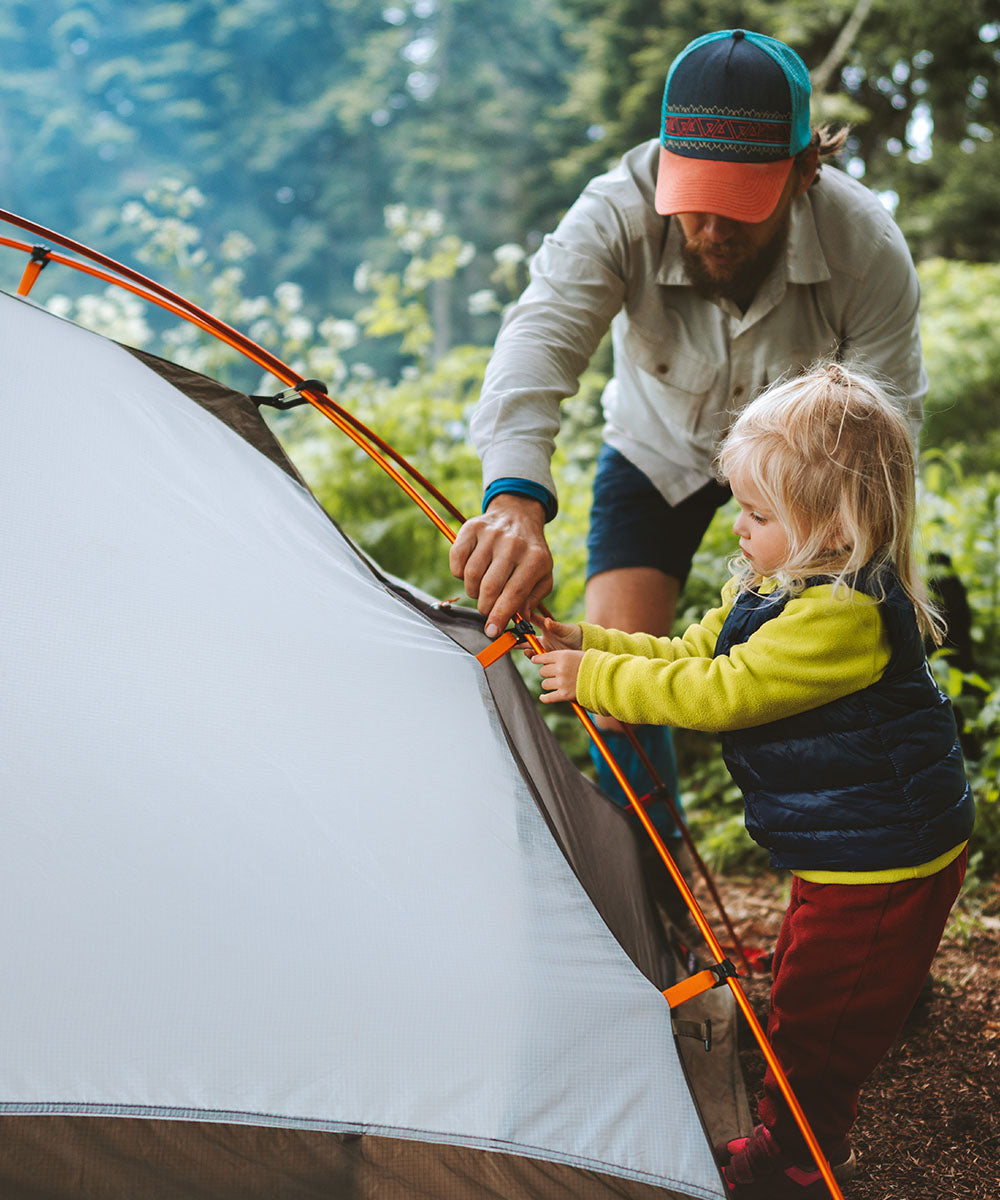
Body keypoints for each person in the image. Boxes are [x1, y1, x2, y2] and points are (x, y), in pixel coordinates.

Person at [449, 27, 927, 852]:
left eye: (738, 202)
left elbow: (885, 439)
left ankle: (855, 862)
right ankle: (660, 896)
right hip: (654, 449)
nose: (708, 226)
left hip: (805, 480)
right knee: (614, 697)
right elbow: (538, 342)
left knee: (833, 667)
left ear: (805, 172)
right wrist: (515, 500)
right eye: (692, 194)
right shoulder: (615, 208)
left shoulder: (866, 245)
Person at [530, 364, 974, 1199]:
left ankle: (798, 1160)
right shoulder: (780, 586)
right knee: (807, 979)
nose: (739, 526)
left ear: (835, 530)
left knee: (817, 1026)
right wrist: (587, 641)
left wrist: (592, 679)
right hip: (845, 849)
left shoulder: (838, 618)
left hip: (886, 860)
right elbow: (692, 655)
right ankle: (799, 1115)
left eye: (760, 514)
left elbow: (720, 695)